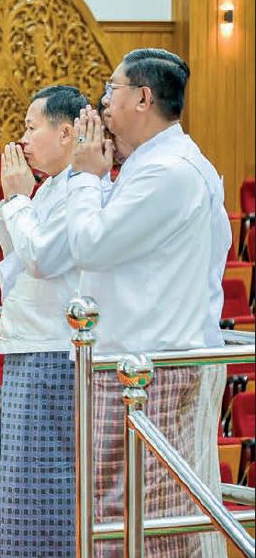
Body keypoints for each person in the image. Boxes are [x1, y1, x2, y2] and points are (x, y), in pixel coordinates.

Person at [68, 48, 228, 557]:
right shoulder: (153, 165)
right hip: (137, 357)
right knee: (116, 514)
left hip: (150, 364)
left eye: (111, 89)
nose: (102, 102)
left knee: (146, 519)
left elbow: (89, 244)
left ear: (142, 97)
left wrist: (86, 177)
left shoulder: (169, 171)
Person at [0, 85, 86, 557]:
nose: (22, 139)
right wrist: (16, 201)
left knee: (42, 491)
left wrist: (16, 200)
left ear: (66, 133)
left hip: (54, 351)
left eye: (31, 127)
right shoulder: (50, 188)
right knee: (14, 485)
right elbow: (17, 258)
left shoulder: (80, 190)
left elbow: (42, 259)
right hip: (29, 345)